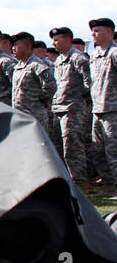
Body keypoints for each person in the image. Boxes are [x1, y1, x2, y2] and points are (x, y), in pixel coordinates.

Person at [50, 27, 92, 181]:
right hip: (58, 107)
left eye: (57, 40)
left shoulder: (78, 58)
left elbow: (89, 82)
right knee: (60, 145)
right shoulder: (60, 60)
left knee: (72, 145)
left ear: (68, 40)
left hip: (72, 108)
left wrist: (79, 98)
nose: (54, 44)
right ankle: (67, 179)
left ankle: (79, 179)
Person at [11, 32, 56, 130]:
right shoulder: (17, 66)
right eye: (13, 45)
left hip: (34, 117)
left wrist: (40, 101)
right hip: (20, 116)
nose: (13, 48)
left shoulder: (37, 65)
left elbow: (50, 85)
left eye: (16, 45)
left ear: (28, 46)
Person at [91, 18, 117, 187]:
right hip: (97, 108)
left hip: (112, 109)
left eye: (97, 30)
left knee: (113, 151)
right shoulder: (95, 55)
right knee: (97, 150)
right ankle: (108, 184)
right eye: (92, 31)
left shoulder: (114, 53)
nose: (93, 34)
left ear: (109, 32)